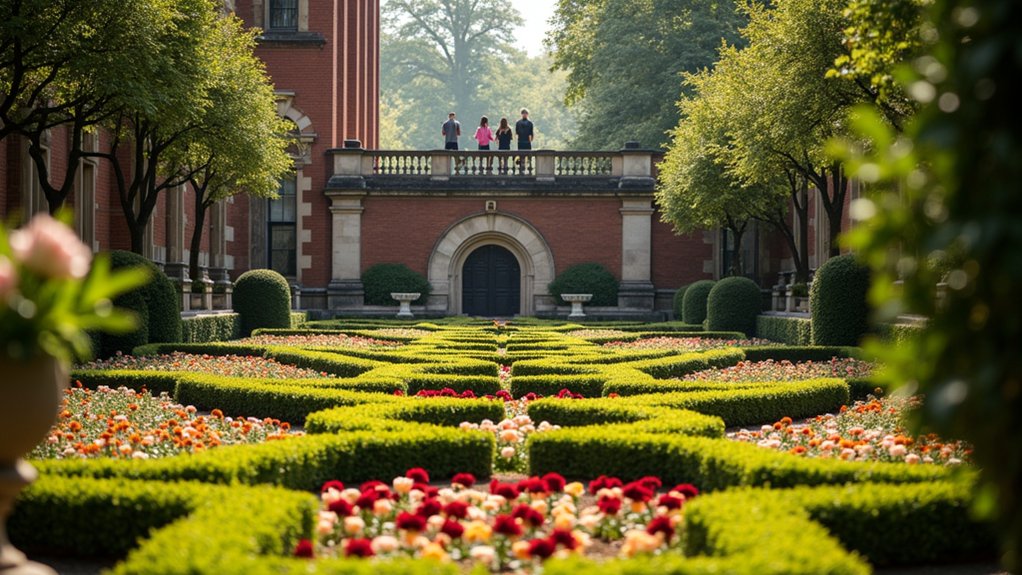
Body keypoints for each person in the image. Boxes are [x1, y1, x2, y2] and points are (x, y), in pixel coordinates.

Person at [514, 108, 534, 172]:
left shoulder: (529, 123)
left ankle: (527, 169)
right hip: (521, 141)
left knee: (528, 156)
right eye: (523, 113)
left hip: (526, 141)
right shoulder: (519, 123)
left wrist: (530, 140)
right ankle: (522, 168)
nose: (524, 115)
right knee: (521, 156)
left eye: (525, 113)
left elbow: (531, 133)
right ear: (522, 114)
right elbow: (516, 133)